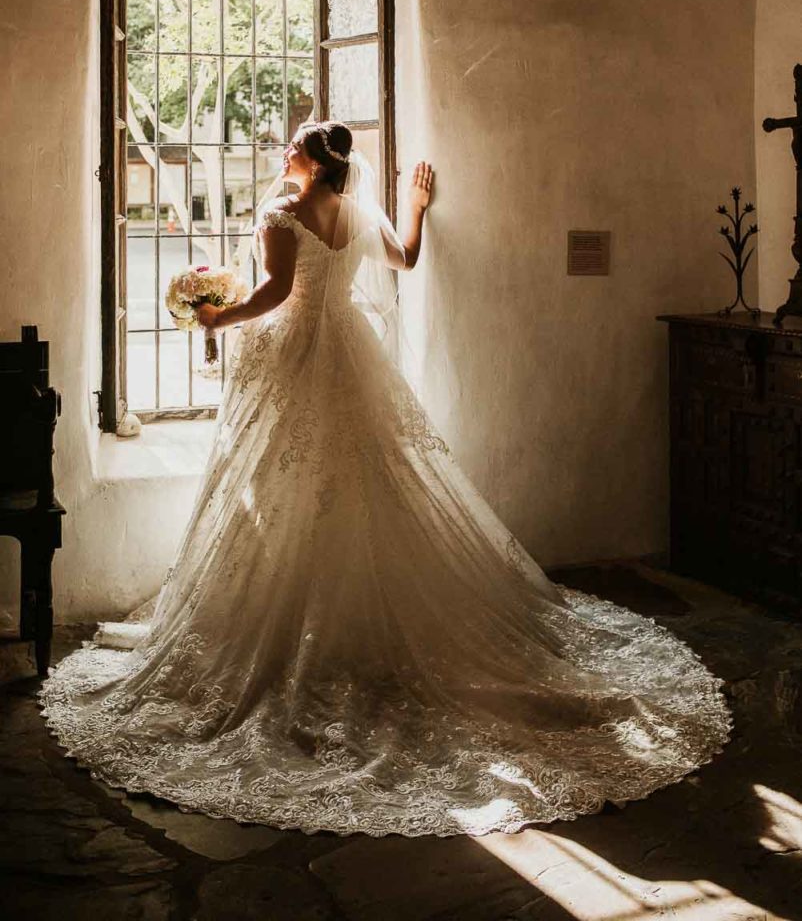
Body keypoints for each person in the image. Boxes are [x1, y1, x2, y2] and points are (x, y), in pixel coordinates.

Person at [39, 121, 730, 838]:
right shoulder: (360, 212)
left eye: (294, 149)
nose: (284, 156)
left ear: (315, 160)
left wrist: (218, 316)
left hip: (298, 356)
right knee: (364, 482)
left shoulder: (283, 213)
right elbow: (405, 257)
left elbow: (276, 293)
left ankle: (301, 640)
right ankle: (348, 626)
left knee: (285, 487)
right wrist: (417, 204)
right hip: (351, 351)